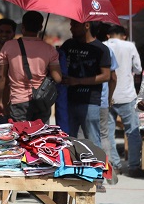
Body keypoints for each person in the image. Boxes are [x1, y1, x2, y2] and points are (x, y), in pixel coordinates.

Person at [0, 11, 62, 123]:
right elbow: (58, 78)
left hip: (18, 101)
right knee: (40, 137)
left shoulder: (8, 46)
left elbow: (0, 76)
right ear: (40, 27)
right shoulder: (49, 49)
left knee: (21, 137)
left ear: (23, 26)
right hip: (42, 101)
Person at [60, 20, 111, 147]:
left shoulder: (101, 49)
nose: (71, 28)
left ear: (86, 26)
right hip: (68, 101)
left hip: (90, 102)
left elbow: (106, 76)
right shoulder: (68, 45)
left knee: (93, 142)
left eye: (75, 25)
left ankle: (98, 167)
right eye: (71, 25)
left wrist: (77, 81)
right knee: (67, 142)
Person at [105, 25, 143, 178]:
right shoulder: (130, 46)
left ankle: (114, 165)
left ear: (109, 35)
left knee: (108, 132)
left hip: (108, 96)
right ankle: (133, 167)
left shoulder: (103, 45)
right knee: (132, 132)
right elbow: (138, 68)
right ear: (124, 35)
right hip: (127, 95)